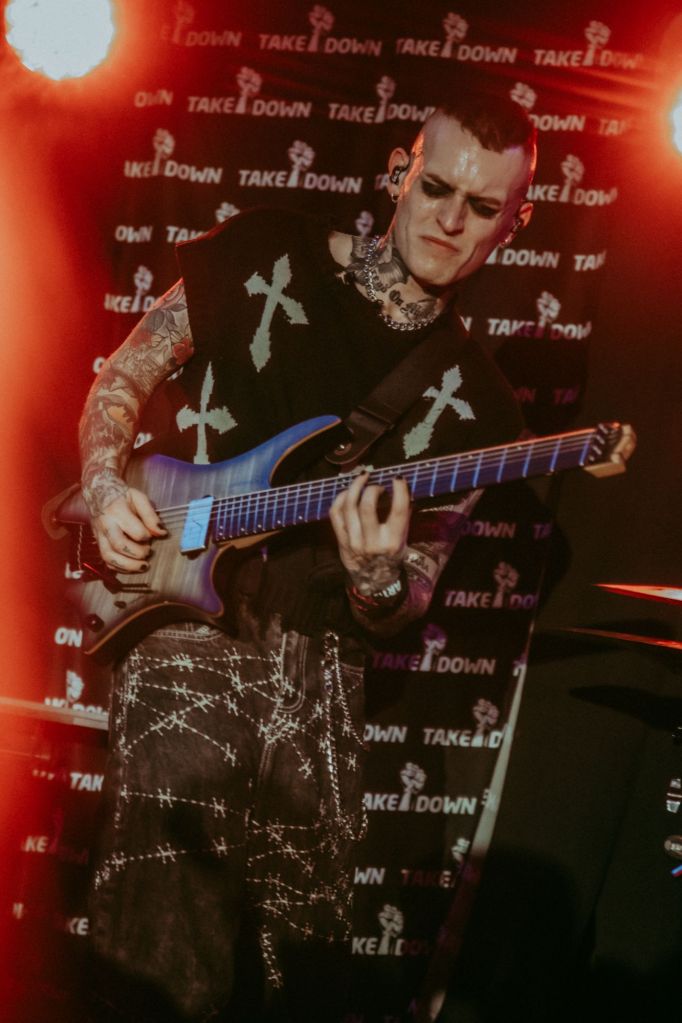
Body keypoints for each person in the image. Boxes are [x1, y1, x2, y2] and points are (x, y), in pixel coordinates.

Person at [79, 94, 536, 1022]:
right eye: (437, 188)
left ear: (515, 223)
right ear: (400, 172)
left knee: (294, 948)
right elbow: (123, 376)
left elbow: (408, 593)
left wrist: (376, 576)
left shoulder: (480, 409)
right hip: (182, 615)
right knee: (168, 892)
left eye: (483, 206)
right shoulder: (266, 249)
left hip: (320, 660)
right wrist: (103, 487)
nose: (451, 220)